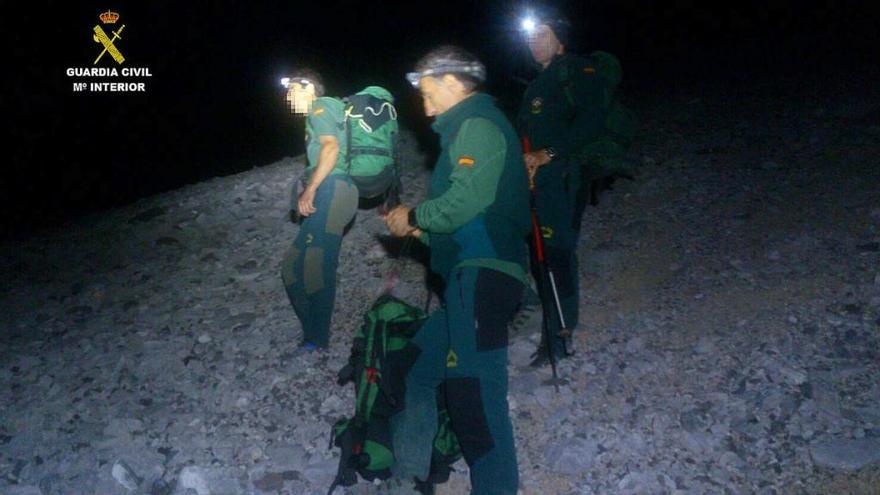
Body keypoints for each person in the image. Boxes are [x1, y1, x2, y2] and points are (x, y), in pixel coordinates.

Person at [383, 46, 530, 495]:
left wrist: (416, 216)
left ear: (452, 83)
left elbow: (462, 204)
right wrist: (417, 230)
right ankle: (410, 474)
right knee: (412, 368)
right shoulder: (462, 132)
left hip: (485, 277)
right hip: (464, 284)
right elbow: (462, 221)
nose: (425, 109)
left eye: (429, 94)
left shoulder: (478, 125)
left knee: (474, 395)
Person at [517, 8, 608, 365]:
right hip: (542, 180)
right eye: (530, 36)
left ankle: (559, 339)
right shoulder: (542, 79)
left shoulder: (577, 72)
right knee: (542, 254)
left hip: (566, 177)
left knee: (557, 256)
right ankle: (550, 327)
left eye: (543, 34)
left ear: (560, 39)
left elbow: (591, 123)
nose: (534, 42)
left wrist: (548, 154)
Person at [280, 70, 359, 352]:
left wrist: (311, 188)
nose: (288, 98)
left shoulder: (321, 106)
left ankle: (316, 338)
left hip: (333, 189)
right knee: (292, 266)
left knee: (316, 264)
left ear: (309, 87)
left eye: (292, 91)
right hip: (332, 190)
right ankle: (312, 330)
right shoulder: (320, 112)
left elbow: (331, 147)